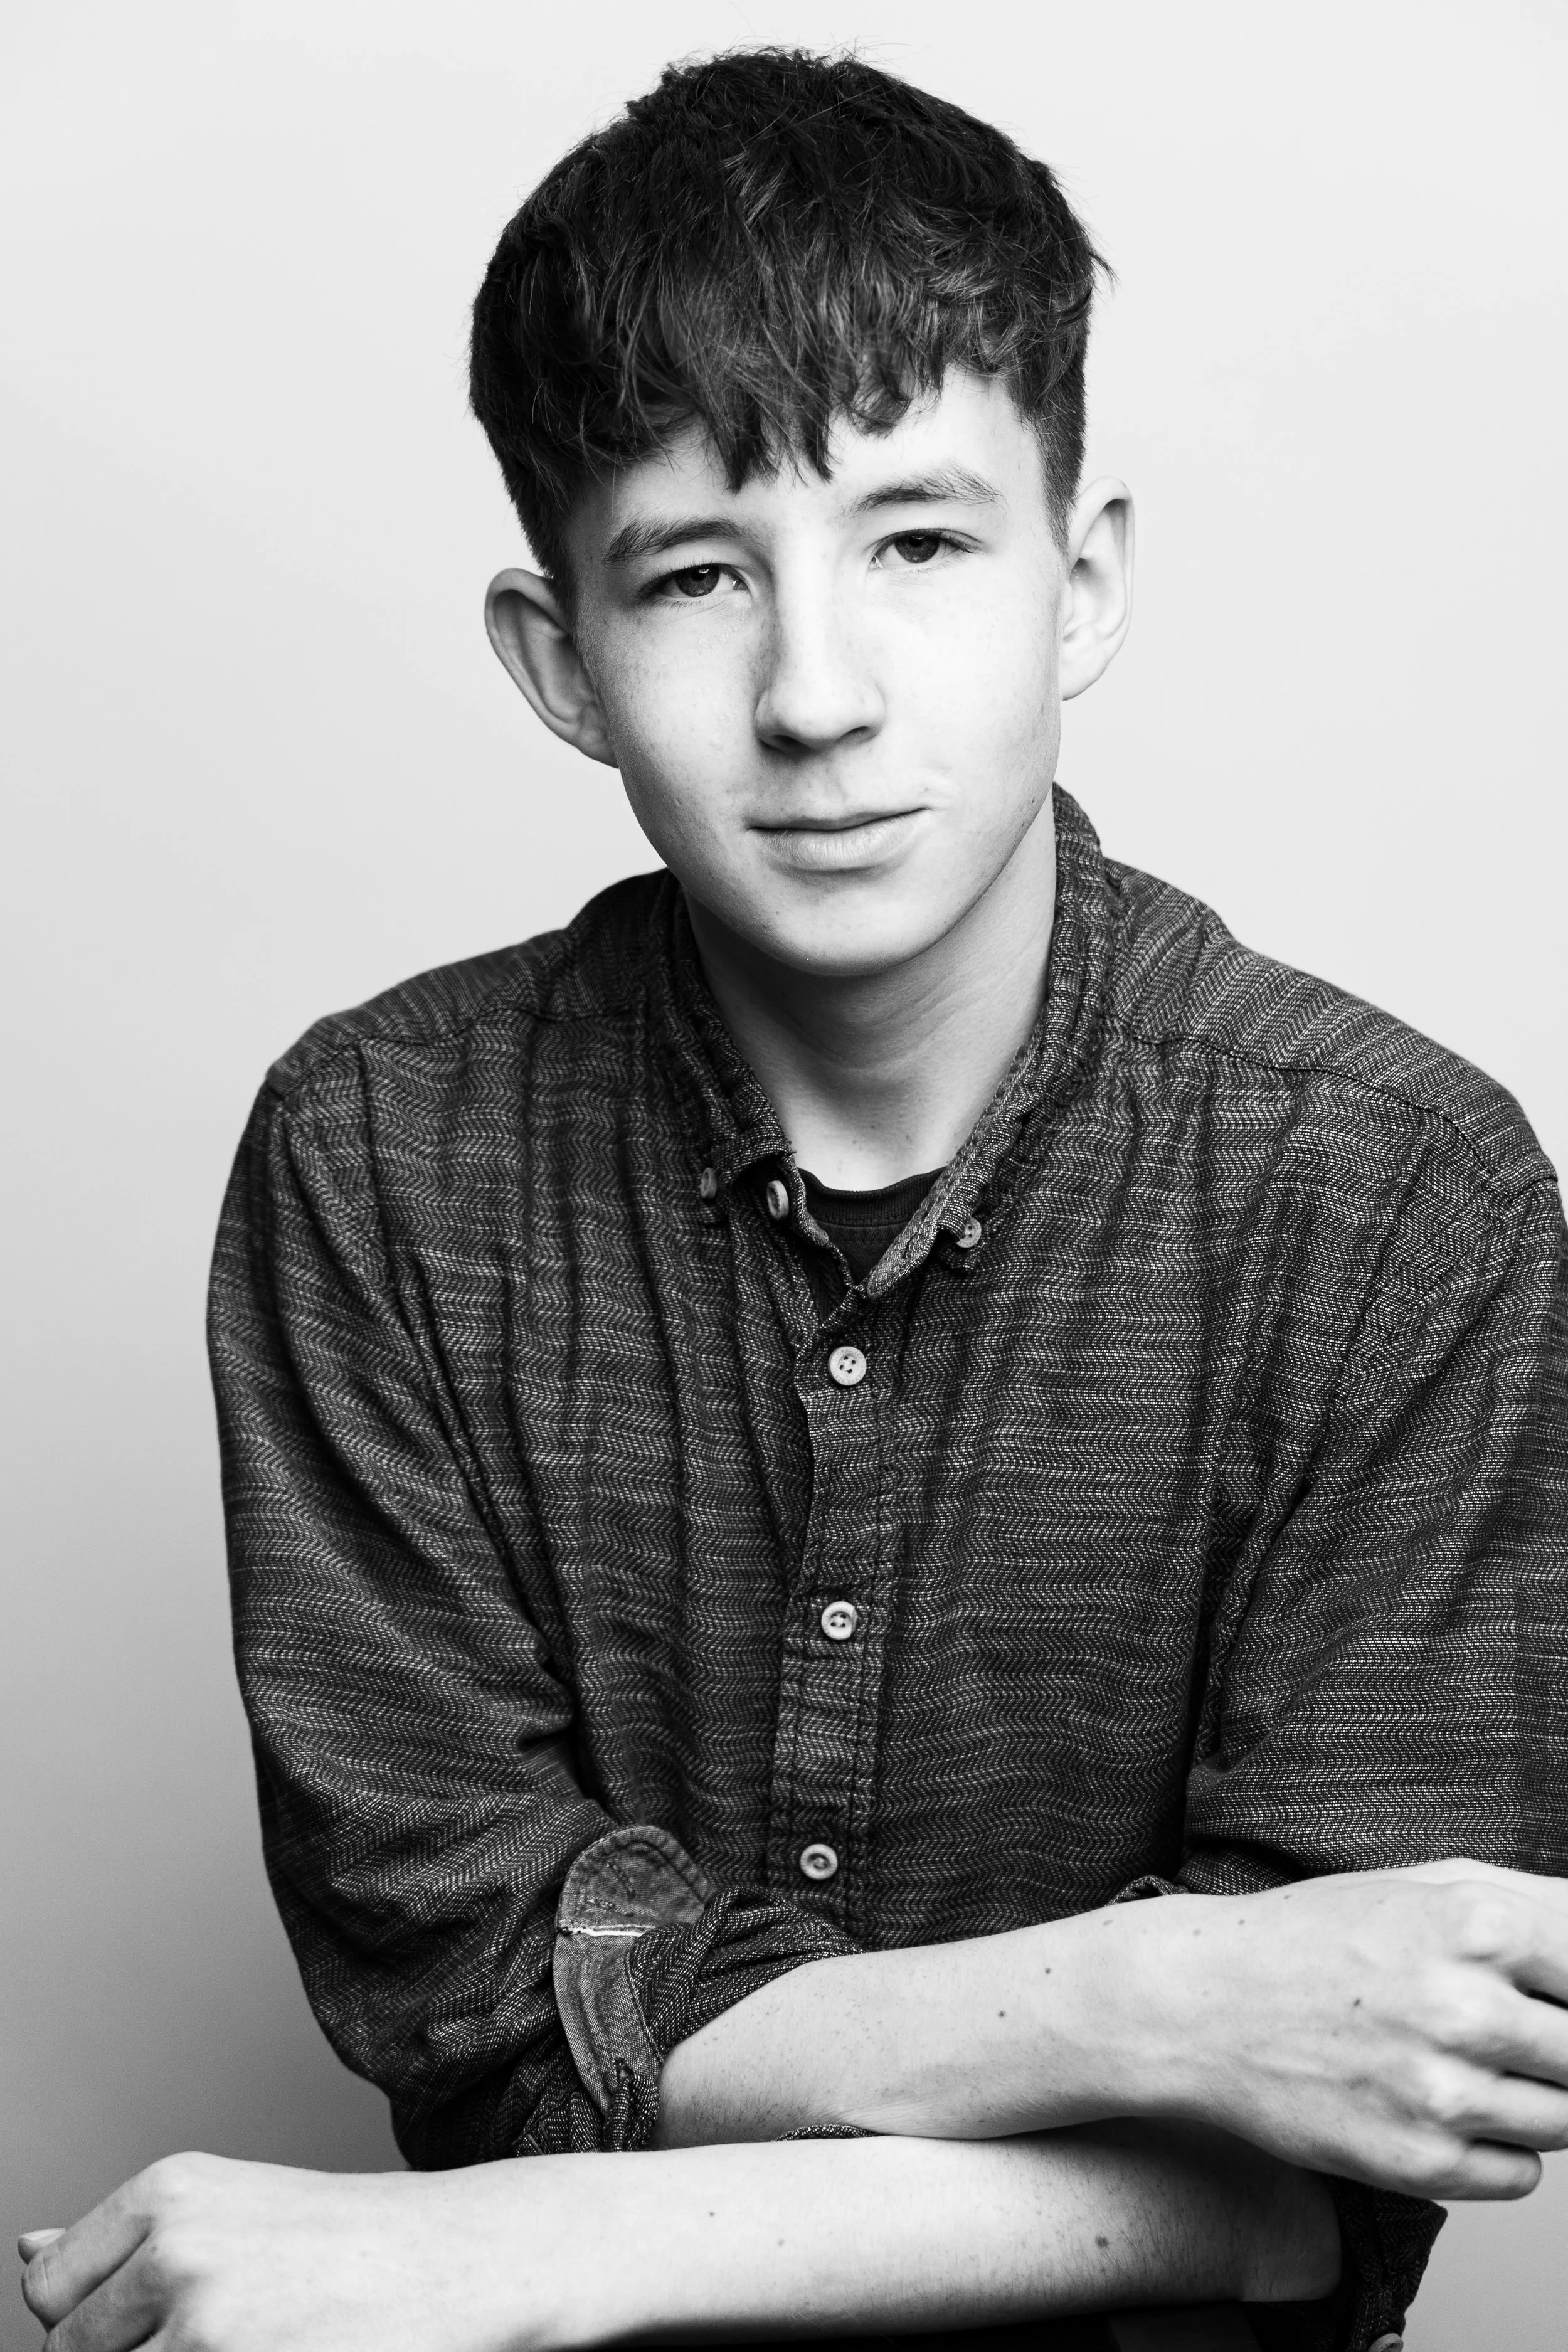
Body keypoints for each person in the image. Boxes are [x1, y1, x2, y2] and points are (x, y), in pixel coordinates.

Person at [21, 45, 1568, 2352]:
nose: (818, 691)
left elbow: (1313, 2173)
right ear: (561, 663)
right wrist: (1162, 1996)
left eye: (920, 541)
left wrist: (531, 2254)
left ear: (1086, 578)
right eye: (697, 574)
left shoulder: (1399, 1197)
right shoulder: (379, 1155)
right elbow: (471, 1996)